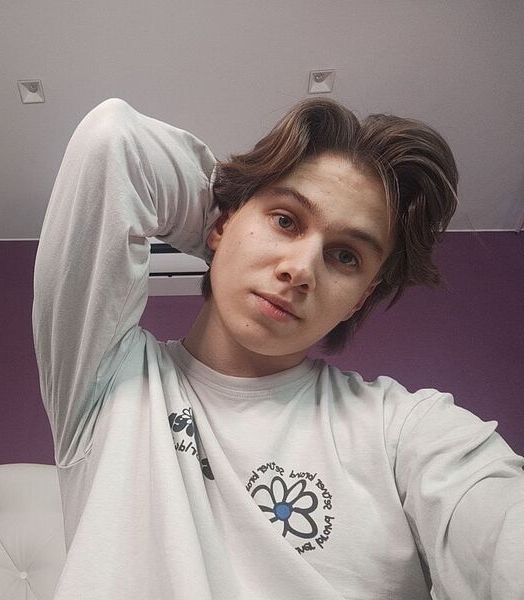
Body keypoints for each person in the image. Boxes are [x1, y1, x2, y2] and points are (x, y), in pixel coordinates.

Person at [31, 97, 523, 599]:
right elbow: (115, 140)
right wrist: (226, 208)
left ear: (360, 298)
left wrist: (243, 226)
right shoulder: (107, 383)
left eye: (345, 256)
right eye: (286, 221)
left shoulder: (402, 430)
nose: (301, 269)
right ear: (221, 224)